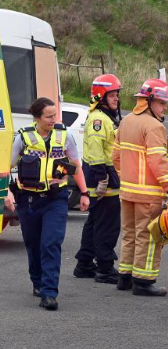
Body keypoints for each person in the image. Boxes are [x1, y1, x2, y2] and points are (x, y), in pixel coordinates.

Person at [4, 97, 90, 311]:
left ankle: (49, 292)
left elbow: (76, 165)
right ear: (37, 118)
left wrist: (85, 193)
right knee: (33, 244)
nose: (54, 119)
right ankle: (38, 280)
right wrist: (7, 192)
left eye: (55, 115)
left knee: (51, 243)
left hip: (56, 199)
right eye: (49, 116)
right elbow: (6, 167)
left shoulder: (64, 135)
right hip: (29, 200)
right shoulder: (23, 138)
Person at [113, 79, 168, 296]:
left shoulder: (126, 121)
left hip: (127, 191)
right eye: (161, 103)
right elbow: (158, 161)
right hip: (149, 194)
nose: (165, 108)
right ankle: (143, 281)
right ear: (149, 101)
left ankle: (124, 277)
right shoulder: (154, 126)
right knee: (149, 237)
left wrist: (127, 179)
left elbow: (115, 156)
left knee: (129, 234)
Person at [73, 74, 123, 284]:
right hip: (102, 175)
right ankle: (104, 268)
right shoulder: (98, 119)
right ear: (101, 96)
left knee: (95, 222)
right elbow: (95, 151)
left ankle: (84, 264)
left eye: (117, 95)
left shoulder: (104, 117)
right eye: (112, 95)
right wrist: (103, 178)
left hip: (102, 173)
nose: (116, 99)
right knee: (107, 224)